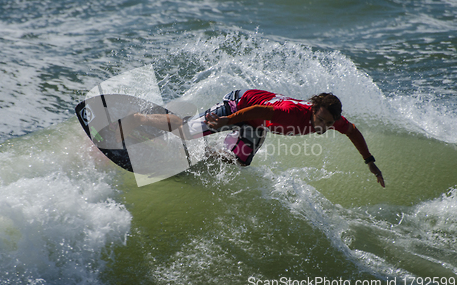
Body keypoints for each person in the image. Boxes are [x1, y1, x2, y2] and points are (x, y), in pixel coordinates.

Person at [125, 89, 385, 187]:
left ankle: (197, 153)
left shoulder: (333, 121)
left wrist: (369, 161)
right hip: (239, 105)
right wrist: (227, 121)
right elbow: (259, 110)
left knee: (237, 161)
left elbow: (353, 132)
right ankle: (138, 119)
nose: (324, 127)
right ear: (313, 109)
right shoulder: (291, 112)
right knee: (186, 130)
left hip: (257, 125)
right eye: (320, 121)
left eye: (329, 124)